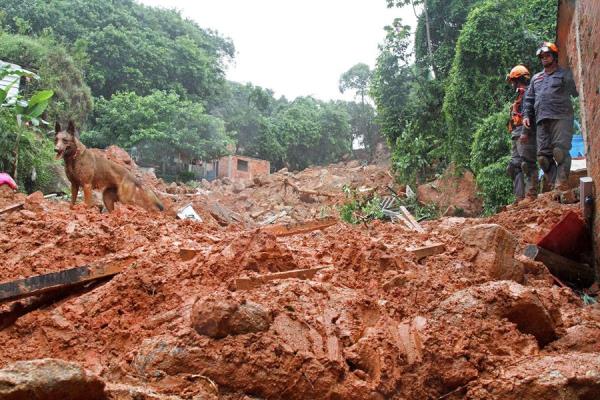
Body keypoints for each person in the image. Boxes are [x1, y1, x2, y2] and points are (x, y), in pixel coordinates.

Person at [523, 42, 578, 194]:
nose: (544, 59)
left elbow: (575, 92)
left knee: (559, 152)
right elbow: (529, 100)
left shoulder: (564, 74)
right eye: (542, 57)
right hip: (541, 120)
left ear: (554, 56)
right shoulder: (536, 79)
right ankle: (555, 185)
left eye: (547, 55)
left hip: (561, 117)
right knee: (543, 158)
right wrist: (527, 115)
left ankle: (562, 183)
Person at [506, 64, 537, 201]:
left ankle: (531, 195)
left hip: (525, 134)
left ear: (518, 80)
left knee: (527, 164)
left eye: (513, 81)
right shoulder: (519, 96)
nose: (512, 84)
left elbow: (529, 115)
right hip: (516, 135)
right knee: (514, 166)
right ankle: (519, 197)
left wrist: (525, 132)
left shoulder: (529, 94)